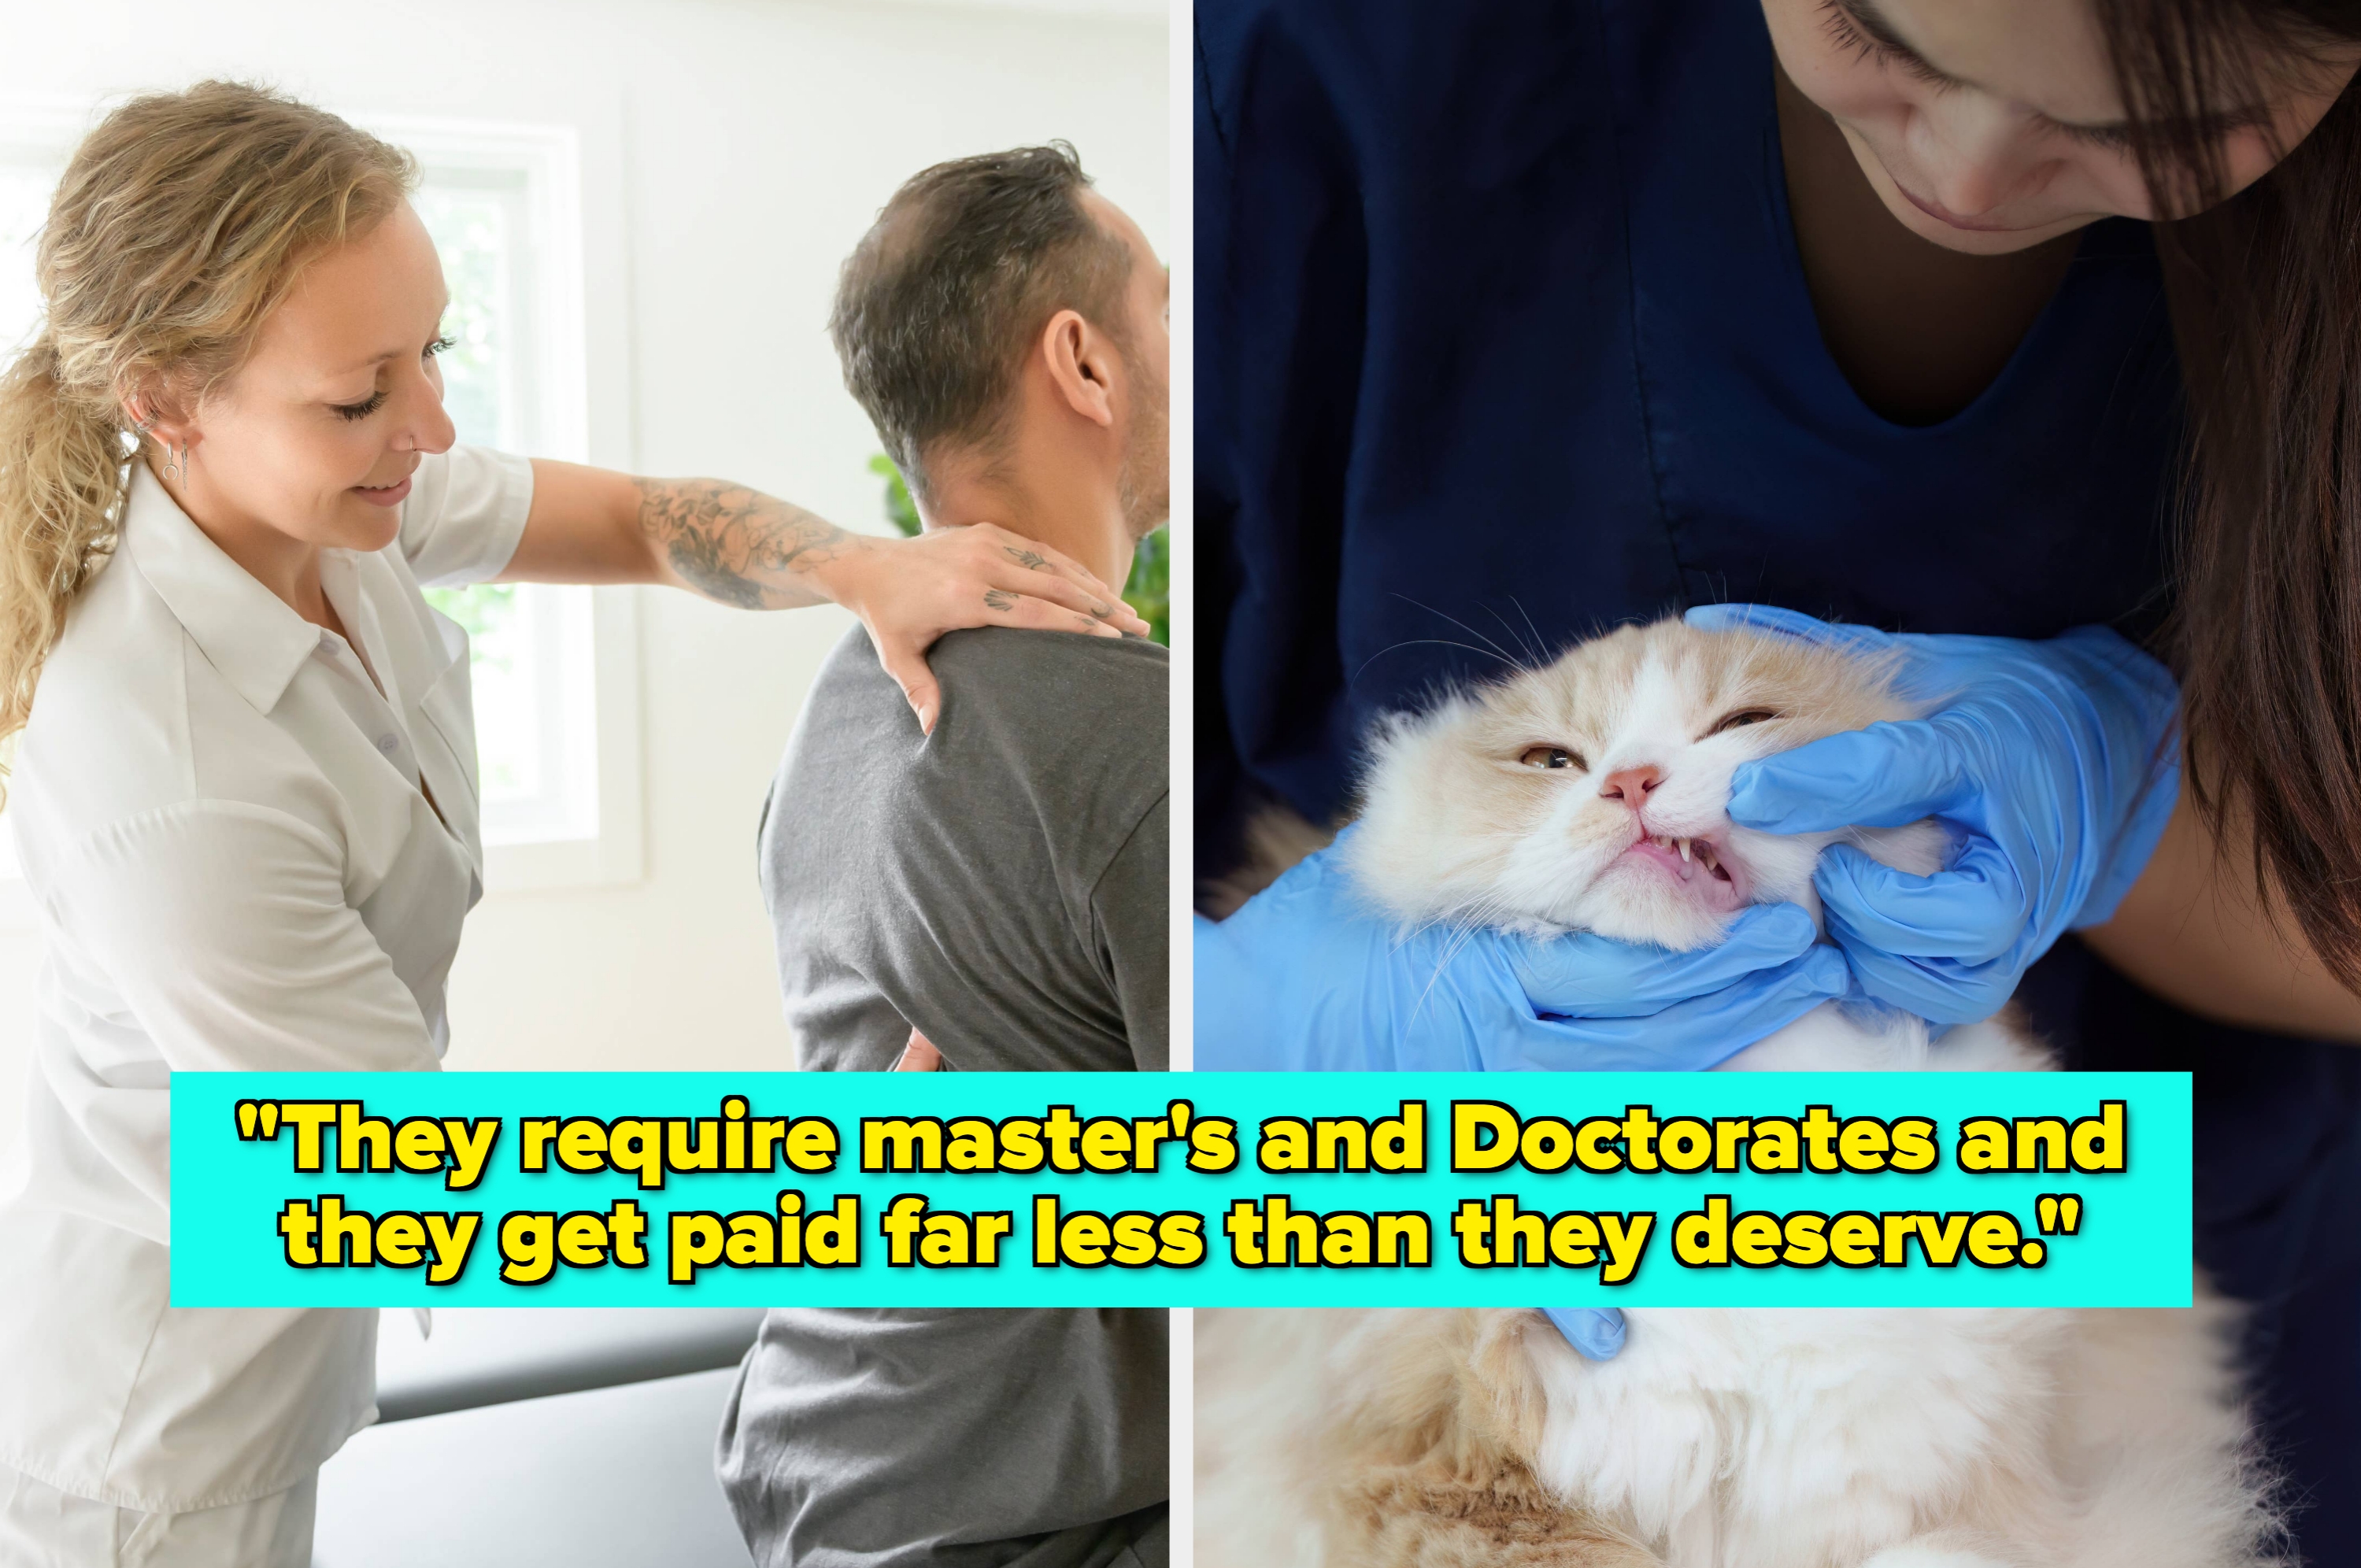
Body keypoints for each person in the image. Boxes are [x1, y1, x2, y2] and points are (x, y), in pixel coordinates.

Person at [1193, 0, 2361, 1558]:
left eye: (2154, 132)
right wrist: (1218, 1041)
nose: (1970, 168)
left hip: (2198, 1242)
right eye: (1886, 37)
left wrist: (2126, 793)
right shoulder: (1311, 72)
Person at [0, 85, 1145, 1566]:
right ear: (164, 399)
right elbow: (392, 1177)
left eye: (434, 354)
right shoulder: (160, 767)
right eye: (364, 393)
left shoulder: (325, 490)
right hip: (147, 1438)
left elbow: (638, 519)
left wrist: (863, 566)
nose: (429, 425)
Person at [713, 146, 1169, 1568]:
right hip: (1038, 1529)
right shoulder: (1126, 741)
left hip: (820, 1471)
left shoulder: (838, 705)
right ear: (1082, 361)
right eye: (1170, 306)